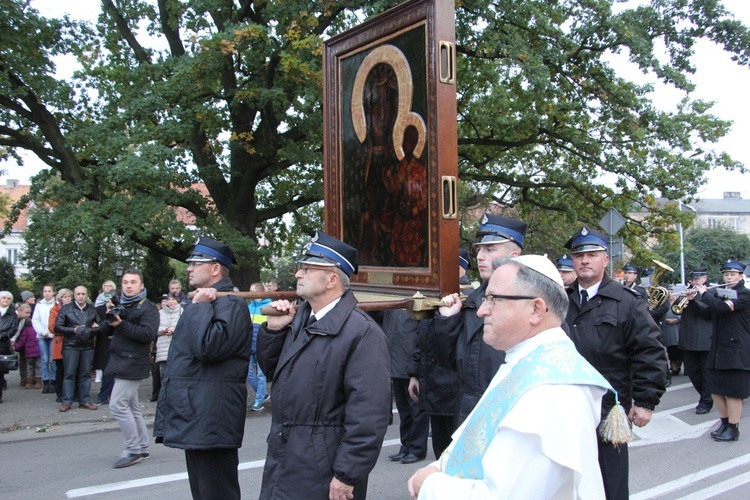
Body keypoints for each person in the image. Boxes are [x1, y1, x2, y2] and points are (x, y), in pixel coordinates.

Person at [408, 255, 621, 499]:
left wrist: (431, 484)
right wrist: (438, 468)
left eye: (493, 299)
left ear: (536, 309)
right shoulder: (527, 362)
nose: (481, 310)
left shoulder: (549, 390)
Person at [258, 231, 390, 500]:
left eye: (307, 268)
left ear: (332, 279)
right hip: (287, 461)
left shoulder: (361, 333)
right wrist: (273, 332)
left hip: (323, 471)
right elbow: (278, 376)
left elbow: (368, 415)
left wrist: (346, 474)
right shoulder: (300, 320)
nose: (298, 274)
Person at [563, 227, 667, 499]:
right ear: (572, 261)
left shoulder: (626, 302)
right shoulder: (560, 300)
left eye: (592, 255)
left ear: (606, 260)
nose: (585, 260)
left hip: (609, 408)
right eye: (579, 255)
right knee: (572, 480)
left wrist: (645, 401)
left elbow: (650, 352)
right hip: (569, 405)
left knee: (611, 481)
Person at [154, 237, 251, 500]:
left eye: (196, 263)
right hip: (199, 414)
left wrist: (199, 307)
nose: (189, 268)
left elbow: (210, 347)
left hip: (212, 417)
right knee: (203, 492)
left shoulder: (230, 303)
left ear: (216, 268)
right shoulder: (207, 302)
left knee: (217, 493)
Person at [431, 214, 527, 428]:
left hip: (510, 410)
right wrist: (448, 320)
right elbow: (449, 362)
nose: (480, 257)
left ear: (514, 254)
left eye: (490, 250)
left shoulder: (531, 302)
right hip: (468, 409)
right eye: (479, 250)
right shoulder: (474, 300)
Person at [100, 269, 159, 468]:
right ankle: (141, 447)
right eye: (125, 282)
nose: (128, 285)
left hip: (134, 362)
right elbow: (105, 329)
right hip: (119, 359)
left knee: (117, 405)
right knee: (132, 407)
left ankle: (133, 449)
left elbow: (148, 334)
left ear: (141, 285)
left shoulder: (148, 308)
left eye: (133, 282)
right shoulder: (120, 304)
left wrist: (121, 323)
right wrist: (110, 316)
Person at [699, 259, 750, 442]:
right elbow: (707, 314)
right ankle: (724, 423)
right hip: (718, 348)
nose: (728, 277)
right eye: (726, 274)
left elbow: (722, 308)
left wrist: (705, 295)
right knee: (716, 388)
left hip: (736, 349)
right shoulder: (720, 294)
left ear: (741, 276)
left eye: (732, 274)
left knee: (733, 391)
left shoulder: (744, 294)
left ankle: (733, 428)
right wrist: (693, 300)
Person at [382, 309, 429, 465]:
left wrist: (415, 369)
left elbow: (421, 338)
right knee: (404, 412)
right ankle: (406, 445)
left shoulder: (417, 305)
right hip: (395, 364)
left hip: (410, 366)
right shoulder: (392, 308)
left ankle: (417, 449)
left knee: (416, 410)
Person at [54, 286, 100, 412]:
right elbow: (57, 327)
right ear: (74, 295)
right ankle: (66, 401)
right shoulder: (66, 309)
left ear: (87, 295)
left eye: (83, 294)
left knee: (85, 374)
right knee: (69, 374)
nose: (80, 296)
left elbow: (101, 327)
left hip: (87, 346)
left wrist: (90, 329)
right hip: (70, 346)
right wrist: (73, 330)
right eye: (78, 294)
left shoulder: (92, 309)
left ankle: (84, 400)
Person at [678, 268, 714, 414]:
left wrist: (692, 301)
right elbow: (677, 310)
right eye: (693, 279)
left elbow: (706, 312)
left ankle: (706, 400)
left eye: (697, 279)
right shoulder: (688, 291)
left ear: (704, 278)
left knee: (705, 373)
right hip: (688, 338)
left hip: (704, 339)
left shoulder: (710, 293)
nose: (694, 282)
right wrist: (679, 300)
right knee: (693, 372)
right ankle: (706, 396)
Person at [247, 282, 270, 411]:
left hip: (262, 346)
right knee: (247, 372)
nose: (249, 292)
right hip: (250, 345)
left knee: (261, 374)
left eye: (252, 290)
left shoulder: (268, 306)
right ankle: (263, 394)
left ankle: (259, 400)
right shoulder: (249, 307)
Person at [154, 292, 182, 400]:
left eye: (173, 299)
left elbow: (186, 328)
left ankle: (175, 397)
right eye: (169, 299)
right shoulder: (160, 313)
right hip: (163, 347)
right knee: (164, 374)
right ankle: (164, 397)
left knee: (177, 373)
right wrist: (163, 331)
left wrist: (175, 330)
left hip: (176, 347)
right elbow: (154, 329)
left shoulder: (182, 312)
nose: (171, 302)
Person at [32, 284, 57, 393]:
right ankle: (45, 382)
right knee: (44, 359)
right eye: (45, 291)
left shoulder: (56, 305)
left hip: (53, 335)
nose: (47, 293)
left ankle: (53, 381)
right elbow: (35, 321)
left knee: (53, 360)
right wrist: (44, 332)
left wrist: (52, 332)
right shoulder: (39, 305)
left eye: (49, 291)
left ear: (53, 292)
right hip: (42, 335)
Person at [49, 289, 72, 403]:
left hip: (73, 342)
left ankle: (72, 392)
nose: (67, 298)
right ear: (60, 298)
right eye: (64, 296)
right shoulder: (55, 310)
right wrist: (69, 330)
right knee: (61, 369)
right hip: (61, 342)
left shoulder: (74, 309)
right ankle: (60, 393)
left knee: (72, 369)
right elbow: (52, 327)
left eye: (69, 296)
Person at [12, 304, 41, 389]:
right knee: (34, 366)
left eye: (29, 313)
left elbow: (20, 337)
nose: (29, 315)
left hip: (28, 350)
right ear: (20, 311)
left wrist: (15, 345)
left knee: (29, 366)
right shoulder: (13, 317)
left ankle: (29, 381)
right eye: (27, 313)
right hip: (33, 350)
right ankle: (31, 381)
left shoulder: (24, 323)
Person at [0, 291, 18, 403]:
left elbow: (13, 329)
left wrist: (2, 336)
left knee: (0, 373)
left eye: (8, 298)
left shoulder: (12, 315)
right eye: (3, 298)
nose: (6, 300)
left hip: (2, 344)